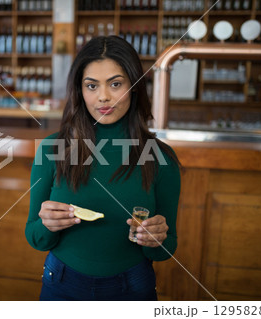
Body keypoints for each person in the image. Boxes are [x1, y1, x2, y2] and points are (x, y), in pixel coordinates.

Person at [25, 35, 181, 301]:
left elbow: (165, 250)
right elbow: (35, 237)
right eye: (92, 86)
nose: (104, 97)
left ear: (135, 87)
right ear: (79, 90)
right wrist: (47, 225)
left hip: (132, 286)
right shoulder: (52, 148)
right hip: (62, 282)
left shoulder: (161, 157)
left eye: (116, 84)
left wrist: (157, 238)